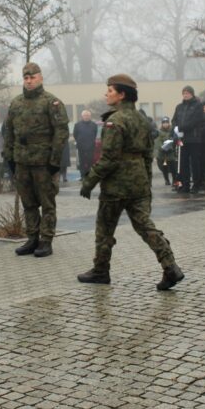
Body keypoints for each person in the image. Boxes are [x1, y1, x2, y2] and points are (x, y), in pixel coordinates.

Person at [77, 74, 183, 290]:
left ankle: (100, 271)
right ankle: (170, 266)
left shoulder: (115, 121)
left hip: (116, 185)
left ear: (122, 94)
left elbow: (109, 159)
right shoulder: (142, 120)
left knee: (105, 229)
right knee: (145, 227)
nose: (106, 94)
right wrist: (147, 184)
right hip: (139, 183)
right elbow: (147, 155)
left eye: (110, 90)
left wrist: (89, 181)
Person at [2, 62, 69, 257]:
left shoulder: (51, 102)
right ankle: (32, 238)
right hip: (22, 161)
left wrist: (54, 161)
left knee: (47, 203)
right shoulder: (16, 103)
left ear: (40, 77)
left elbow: (61, 132)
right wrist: (10, 159)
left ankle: (46, 240)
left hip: (43, 162)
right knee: (28, 202)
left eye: (32, 77)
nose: (29, 81)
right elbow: (9, 132)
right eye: (26, 78)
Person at [171, 85, 204, 193]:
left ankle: (196, 185)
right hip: (182, 139)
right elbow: (174, 119)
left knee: (195, 163)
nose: (185, 95)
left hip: (194, 138)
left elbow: (195, 121)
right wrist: (176, 128)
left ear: (192, 94)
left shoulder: (198, 106)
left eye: (187, 93)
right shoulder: (179, 107)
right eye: (184, 93)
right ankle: (184, 185)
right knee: (183, 163)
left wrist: (181, 128)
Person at [72, 109, 98, 179]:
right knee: (82, 161)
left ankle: (89, 174)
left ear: (90, 116)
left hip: (90, 146)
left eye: (88, 115)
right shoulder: (77, 125)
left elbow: (95, 134)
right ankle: (82, 175)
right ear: (82, 116)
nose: (86, 117)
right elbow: (75, 135)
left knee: (90, 161)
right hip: (81, 147)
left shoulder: (94, 125)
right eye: (85, 115)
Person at [155, 116, 176, 185]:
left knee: (173, 168)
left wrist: (171, 147)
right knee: (164, 168)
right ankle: (167, 180)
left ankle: (174, 180)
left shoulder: (172, 131)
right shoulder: (159, 132)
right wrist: (162, 148)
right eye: (164, 123)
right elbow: (158, 142)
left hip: (171, 153)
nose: (165, 124)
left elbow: (175, 140)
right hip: (163, 154)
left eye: (167, 122)